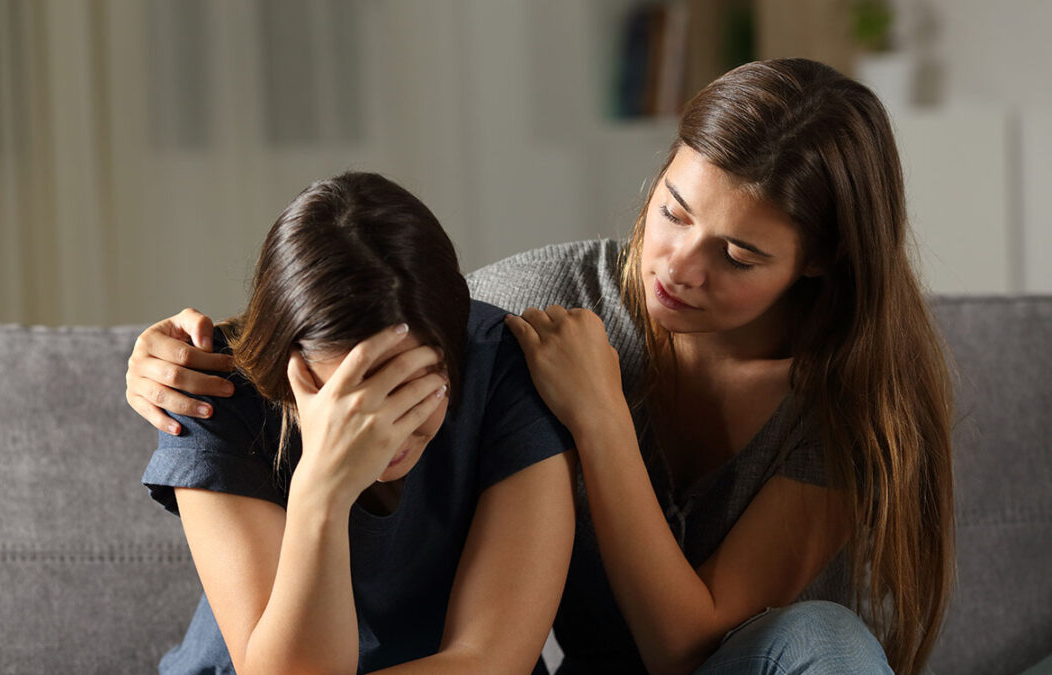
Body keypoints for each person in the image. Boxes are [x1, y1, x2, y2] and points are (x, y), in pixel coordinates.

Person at [127, 59, 953, 675]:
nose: (677, 266)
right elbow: (379, 301)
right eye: (671, 209)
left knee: (827, 638)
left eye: (737, 255)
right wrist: (167, 357)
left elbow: (685, 649)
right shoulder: (534, 306)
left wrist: (599, 417)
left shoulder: (858, 406)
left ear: (819, 263)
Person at [137, 172, 577, 674]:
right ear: (288, 367)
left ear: (453, 353)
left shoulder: (504, 367)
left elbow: (490, 660)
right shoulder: (209, 388)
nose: (380, 431)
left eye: (410, 393)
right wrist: (322, 487)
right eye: (344, 399)